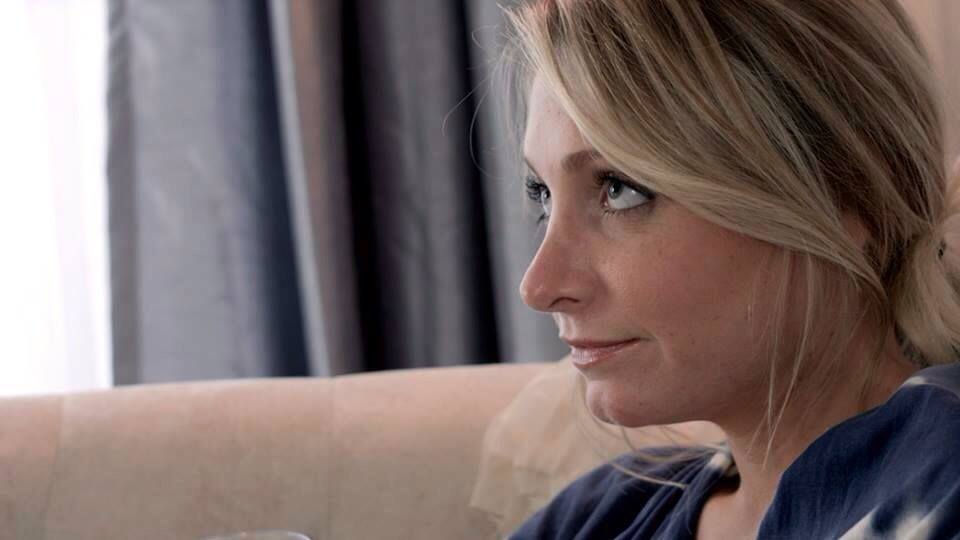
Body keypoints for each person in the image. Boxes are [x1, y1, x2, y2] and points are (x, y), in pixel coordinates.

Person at [501, 1, 960, 538]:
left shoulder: (943, 487)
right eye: (542, 194)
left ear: (848, 195)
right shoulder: (597, 516)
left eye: (620, 190)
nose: (538, 287)